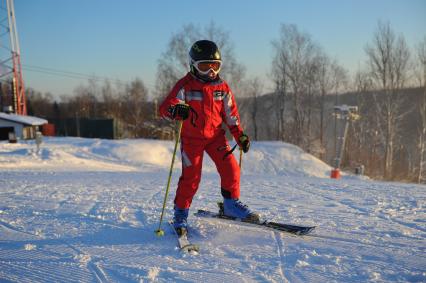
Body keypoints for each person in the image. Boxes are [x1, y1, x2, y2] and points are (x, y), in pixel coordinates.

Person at [159, 40, 259, 233]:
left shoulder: (222, 87)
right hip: (191, 139)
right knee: (191, 178)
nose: (211, 71)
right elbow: (164, 108)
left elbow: (231, 114)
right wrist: (175, 110)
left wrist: (240, 136)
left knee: (231, 169)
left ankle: (230, 204)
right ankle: (180, 215)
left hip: (215, 137)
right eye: (204, 66)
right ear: (193, 65)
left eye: (215, 66)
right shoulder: (185, 85)